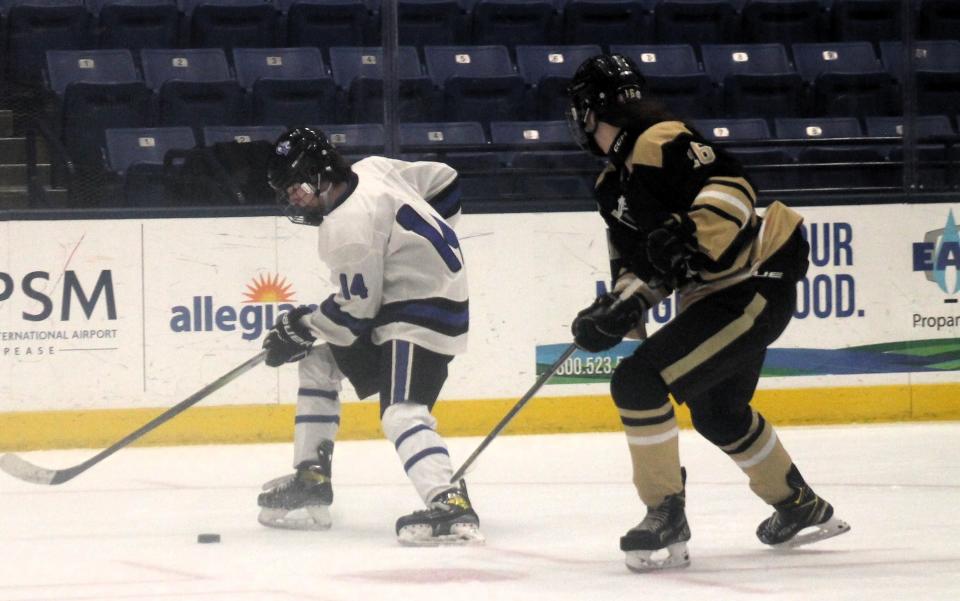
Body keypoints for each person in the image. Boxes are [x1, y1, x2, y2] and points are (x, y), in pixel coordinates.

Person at [564, 54, 850, 572]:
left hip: (754, 282)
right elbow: (647, 269)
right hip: (723, 295)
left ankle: (664, 513)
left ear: (589, 112)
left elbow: (734, 189)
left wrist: (691, 235)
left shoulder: (660, 138)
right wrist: (613, 311)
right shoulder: (611, 187)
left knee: (638, 381)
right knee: (719, 413)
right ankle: (799, 505)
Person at [256, 127, 482, 546]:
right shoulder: (375, 169)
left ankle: (448, 502)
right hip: (415, 301)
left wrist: (301, 327)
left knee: (401, 412)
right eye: (288, 191)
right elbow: (445, 179)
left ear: (321, 173)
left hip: (419, 312)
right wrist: (434, 238)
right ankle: (312, 476)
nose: (294, 198)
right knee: (319, 363)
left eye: (297, 186)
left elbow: (351, 317)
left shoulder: (346, 227)